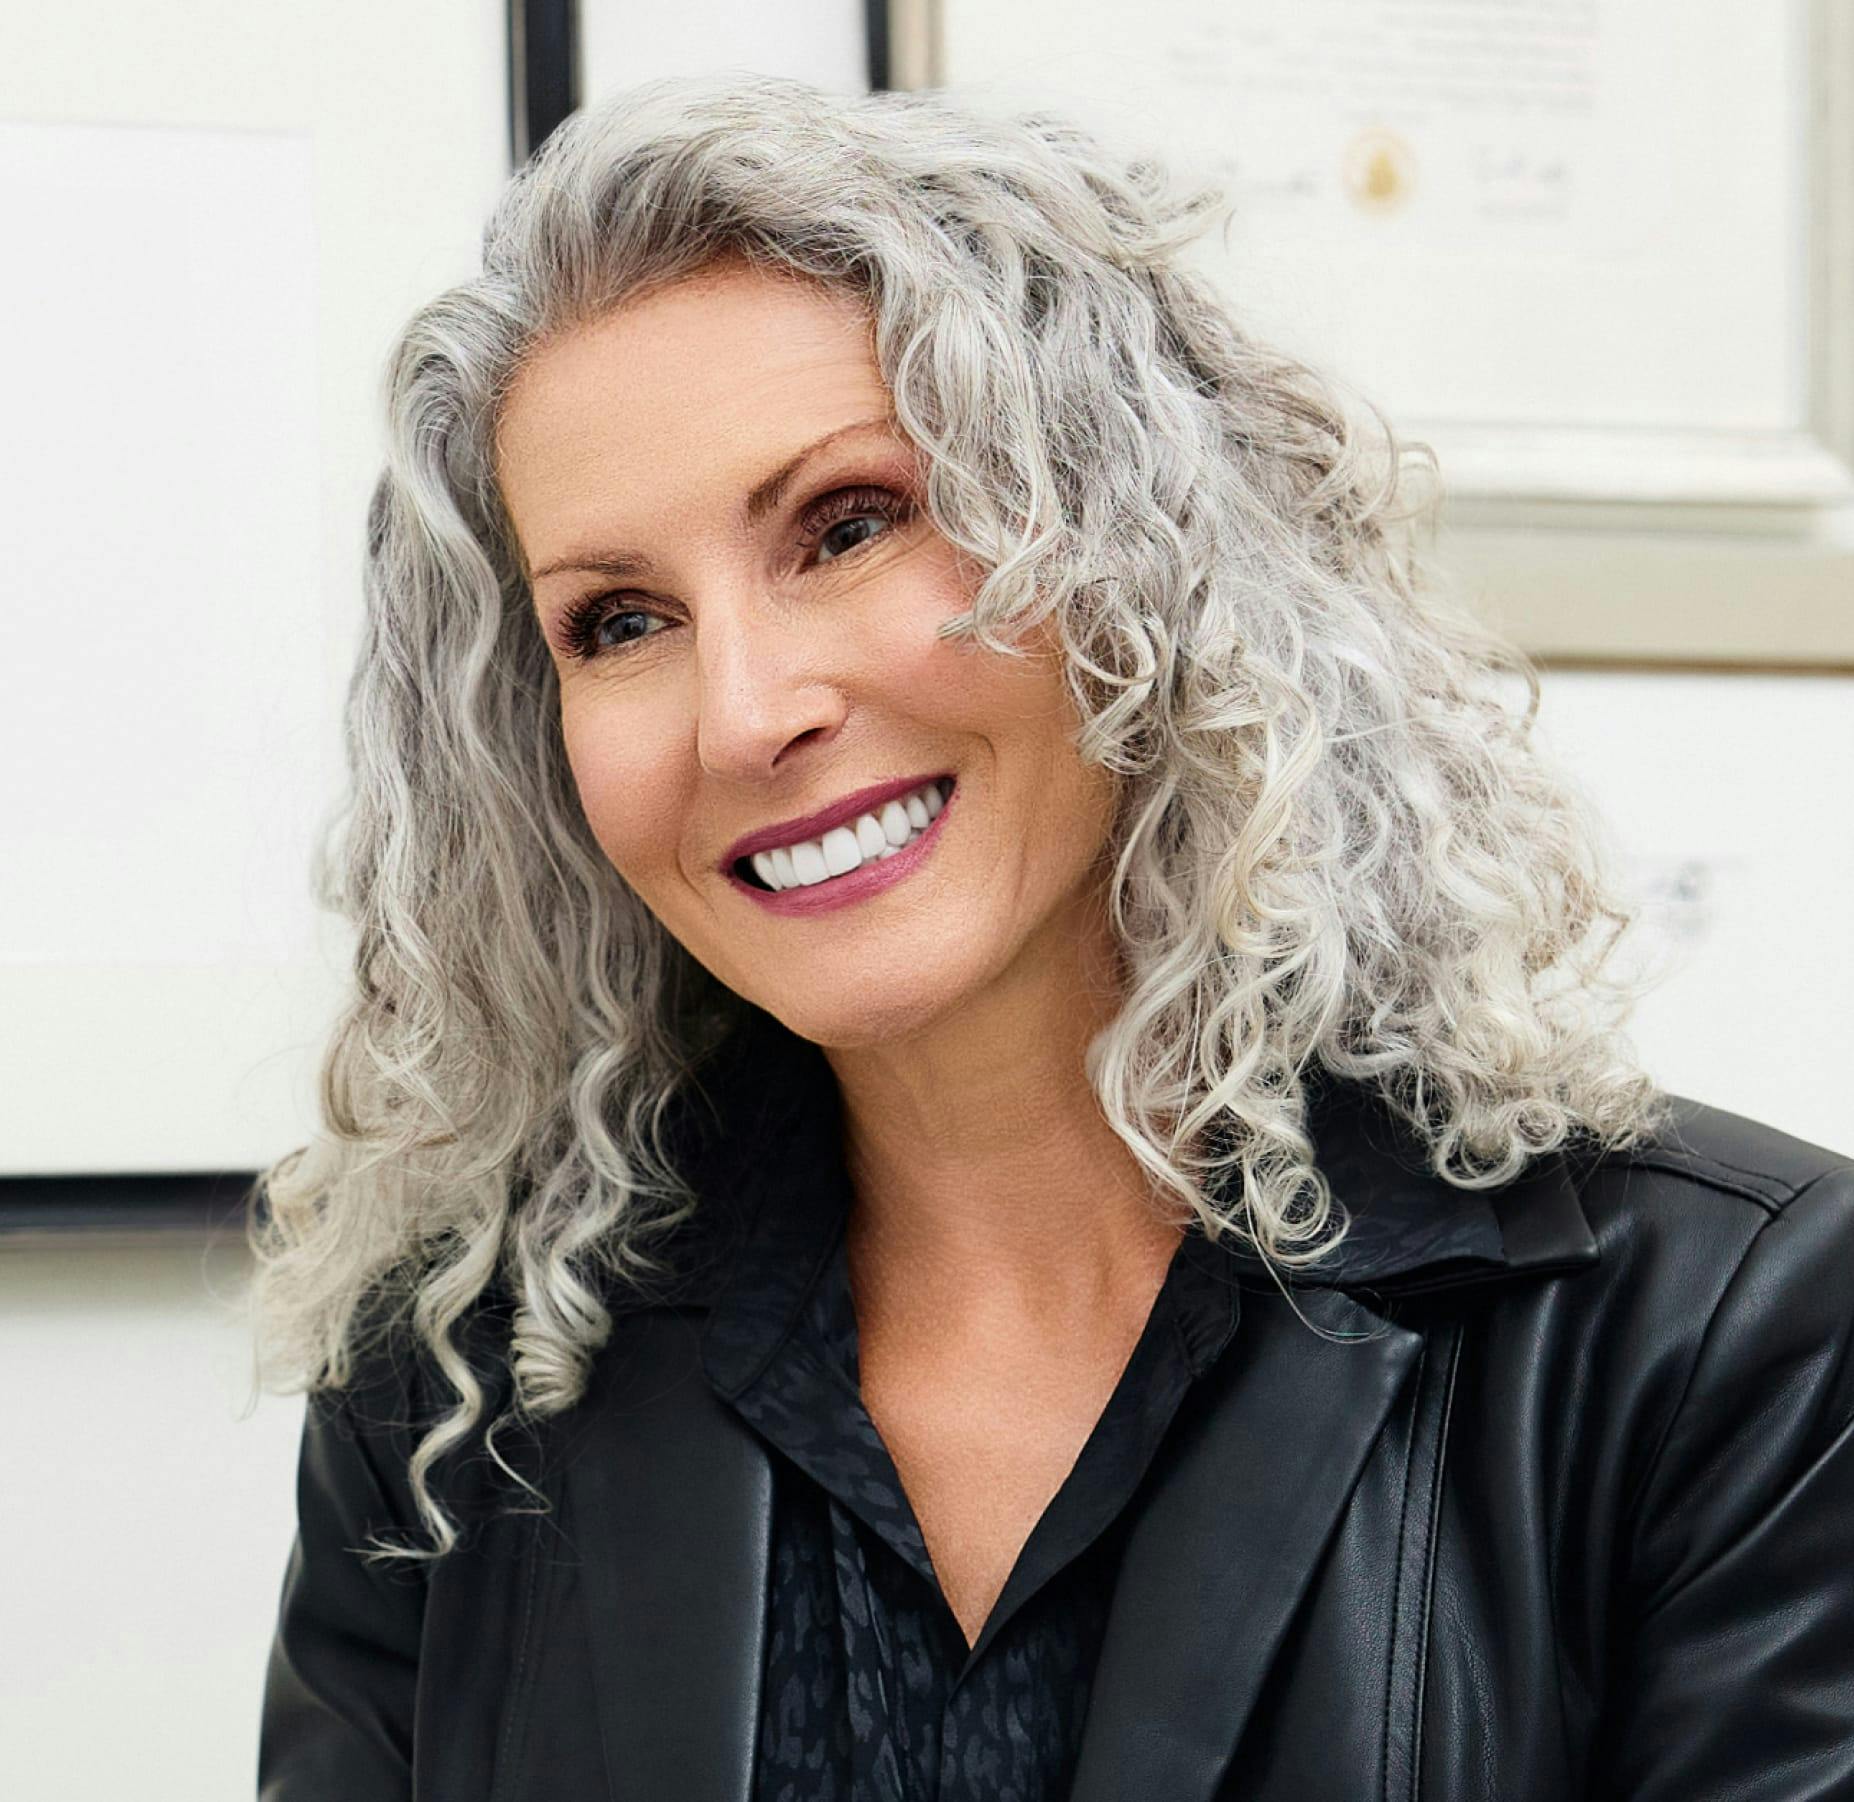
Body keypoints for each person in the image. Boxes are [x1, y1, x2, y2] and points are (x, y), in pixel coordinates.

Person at [249, 71, 1854, 1802]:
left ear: (1140, 551)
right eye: (618, 620)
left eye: (849, 524)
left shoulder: (1729, 1328)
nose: (742, 711)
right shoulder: (450, 1385)